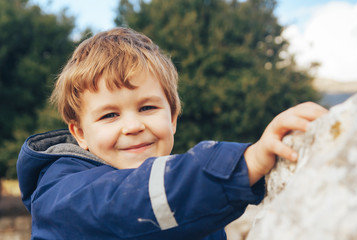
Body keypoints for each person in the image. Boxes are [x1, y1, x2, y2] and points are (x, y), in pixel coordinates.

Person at [17, 27, 327, 240]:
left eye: (147, 108)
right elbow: (126, 202)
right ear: (79, 133)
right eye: (110, 115)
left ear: (173, 118)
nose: (133, 126)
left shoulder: (189, 196)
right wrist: (245, 163)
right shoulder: (61, 193)